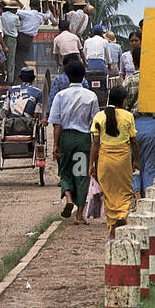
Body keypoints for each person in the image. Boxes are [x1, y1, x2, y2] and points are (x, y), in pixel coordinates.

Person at [49, 59, 99, 221]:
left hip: (66, 138)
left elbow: (57, 123)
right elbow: (95, 123)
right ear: (83, 76)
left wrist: (56, 144)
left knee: (65, 171)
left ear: (67, 76)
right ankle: (79, 215)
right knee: (82, 174)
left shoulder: (61, 95)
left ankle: (69, 199)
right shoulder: (91, 96)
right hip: (84, 139)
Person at [89, 85, 140, 238]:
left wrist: (91, 164)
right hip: (123, 158)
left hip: (105, 159)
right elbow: (134, 142)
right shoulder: (128, 116)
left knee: (109, 194)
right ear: (123, 101)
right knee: (124, 192)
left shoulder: (99, 116)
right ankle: (122, 216)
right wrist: (136, 160)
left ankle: (112, 227)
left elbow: (95, 144)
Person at [123, 45, 155, 196]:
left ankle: (137, 192)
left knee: (134, 163)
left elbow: (122, 109)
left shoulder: (127, 82)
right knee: (150, 165)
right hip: (152, 126)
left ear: (133, 61)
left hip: (132, 126)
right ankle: (148, 196)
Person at [2, 66, 43, 133]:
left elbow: (6, 111)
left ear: (20, 79)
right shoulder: (38, 92)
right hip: (29, 126)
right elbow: (36, 114)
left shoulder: (11, 89)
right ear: (33, 79)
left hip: (11, 125)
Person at [14, 0, 49, 74]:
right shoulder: (40, 16)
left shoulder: (27, 13)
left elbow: (15, 11)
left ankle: (14, 77)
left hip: (21, 37)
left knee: (16, 58)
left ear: (30, 5)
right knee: (21, 58)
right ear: (39, 6)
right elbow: (48, 14)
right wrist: (46, 4)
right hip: (29, 39)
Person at [0, 2, 20, 83]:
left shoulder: (2, 15)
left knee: (3, 58)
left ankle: (2, 77)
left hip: (3, 38)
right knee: (11, 61)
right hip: (12, 39)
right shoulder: (15, 17)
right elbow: (18, 27)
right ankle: (10, 80)